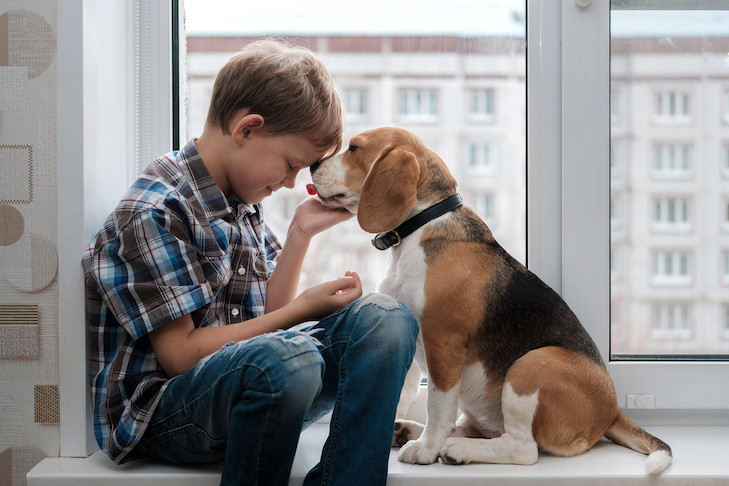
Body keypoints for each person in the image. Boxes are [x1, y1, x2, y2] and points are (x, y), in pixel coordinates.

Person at [82, 39, 419, 486]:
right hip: (163, 413)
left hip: (256, 386)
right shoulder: (156, 211)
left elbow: (267, 320)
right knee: (289, 359)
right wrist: (305, 309)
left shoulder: (240, 199)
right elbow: (180, 356)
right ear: (247, 129)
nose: (291, 182)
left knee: (387, 319)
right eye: (289, 165)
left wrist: (300, 233)